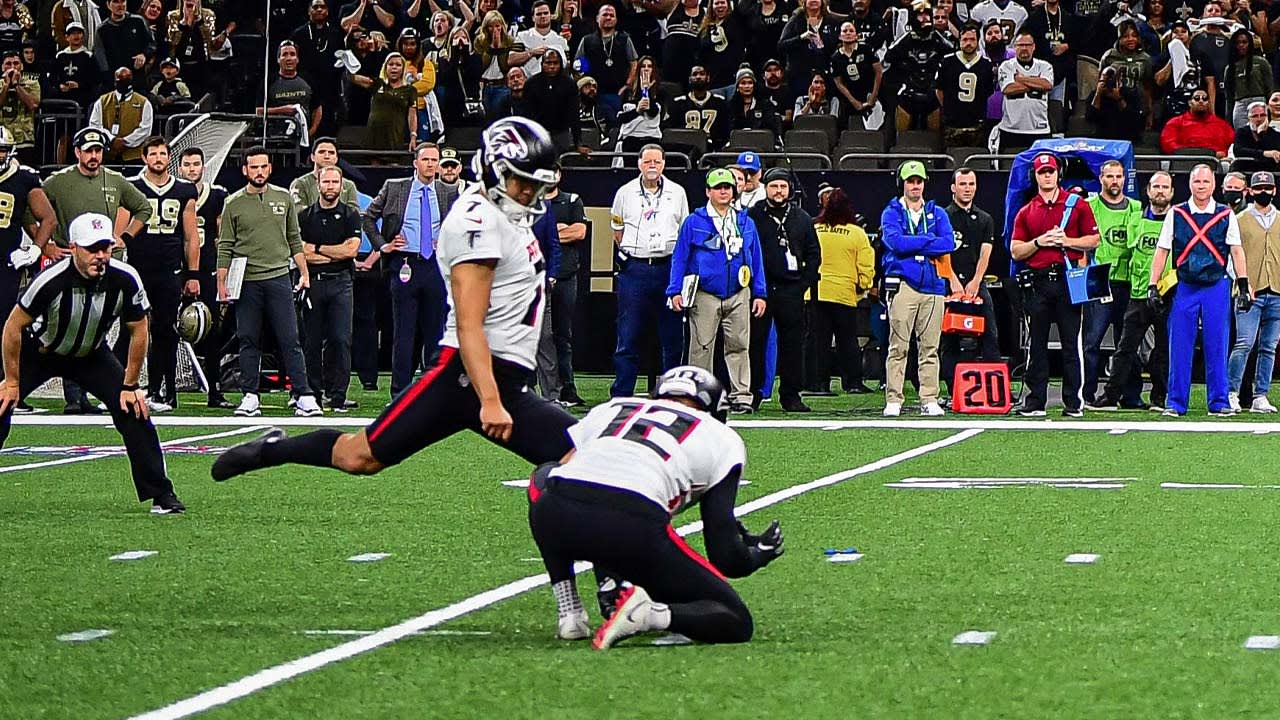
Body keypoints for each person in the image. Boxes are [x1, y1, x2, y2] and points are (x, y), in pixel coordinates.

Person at [211, 118, 578, 485]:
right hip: (469, 377)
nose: (530, 192)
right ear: (495, 171)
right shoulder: (476, 222)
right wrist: (490, 399)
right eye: (523, 182)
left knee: (584, 454)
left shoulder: (504, 214)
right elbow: (469, 323)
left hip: (503, 377)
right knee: (360, 457)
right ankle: (273, 450)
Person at [527, 364, 784, 647]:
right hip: (629, 521)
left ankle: (570, 610)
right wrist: (757, 553)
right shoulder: (722, 438)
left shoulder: (614, 407)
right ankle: (648, 615)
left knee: (545, 479)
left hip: (554, 513)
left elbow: (557, 471)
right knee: (734, 618)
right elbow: (725, 557)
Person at [0, 213, 184, 514]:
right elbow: (12, 327)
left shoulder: (125, 278)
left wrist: (130, 384)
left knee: (133, 411)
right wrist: (12, 382)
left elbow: (139, 329)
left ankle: (161, 495)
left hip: (91, 355)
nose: (99, 256)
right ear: (73, 248)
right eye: (91, 249)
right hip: (41, 352)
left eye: (105, 247)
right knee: (1, 405)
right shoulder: (50, 280)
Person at [42, 126, 153, 414]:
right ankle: (70, 395)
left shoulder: (115, 180)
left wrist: (124, 238)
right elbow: (33, 210)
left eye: (98, 150)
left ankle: (86, 394)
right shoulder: (58, 182)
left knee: (96, 326)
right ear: (77, 152)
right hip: (68, 262)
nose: (94, 156)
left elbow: (143, 208)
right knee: (66, 325)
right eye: (88, 151)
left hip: (102, 263)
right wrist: (47, 245)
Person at [217, 146, 321, 418]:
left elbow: (294, 239)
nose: (259, 172)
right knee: (248, 339)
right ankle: (250, 396)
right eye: (254, 167)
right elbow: (225, 245)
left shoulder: (284, 197)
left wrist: (304, 273)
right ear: (245, 170)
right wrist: (222, 283)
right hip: (247, 281)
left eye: (263, 167)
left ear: (270, 168)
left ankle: (303, 395)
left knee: (290, 339)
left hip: (279, 278)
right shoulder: (233, 203)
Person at [1151, 164, 1249, 416]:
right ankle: (1175, 403)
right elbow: (1162, 250)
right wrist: (1154, 284)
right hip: (1185, 285)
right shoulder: (1177, 214)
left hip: (1217, 285)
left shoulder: (1226, 215)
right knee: (1179, 344)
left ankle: (1218, 402)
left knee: (1217, 344)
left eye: (1206, 182)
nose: (1201, 186)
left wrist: (1244, 283)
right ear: (1190, 184)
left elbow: (1237, 250)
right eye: (1197, 182)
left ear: (1213, 185)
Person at [668, 168, 767, 414]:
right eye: (718, 187)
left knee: (739, 345)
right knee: (701, 347)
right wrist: (674, 289)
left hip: (739, 291)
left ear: (734, 191)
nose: (723, 191)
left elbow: (756, 259)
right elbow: (680, 257)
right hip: (705, 292)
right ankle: (699, 397)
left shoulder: (745, 221)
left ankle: (741, 396)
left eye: (728, 187)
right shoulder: (694, 221)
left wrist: (760, 292)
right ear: (707, 191)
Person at [1009, 152, 1100, 417]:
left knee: (1071, 343)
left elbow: (1094, 241)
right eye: (1042, 172)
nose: (1047, 176)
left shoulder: (1078, 204)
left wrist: (1066, 241)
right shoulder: (1027, 210)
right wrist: (1039, 242)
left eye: (1050, 171)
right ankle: (1035, 400)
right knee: (1035, 343)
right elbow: (1015, 250)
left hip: (1067, 279)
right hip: (1038, 281)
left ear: (1058, 174)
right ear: (1035, 176)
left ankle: (1073, 402)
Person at [363, 144, 449, 399]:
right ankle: (399, 392)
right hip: (404, 263)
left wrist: (446, 240)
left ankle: (435, 390)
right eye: (426, 160)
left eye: (435, 160)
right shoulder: (395, 187)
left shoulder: (447, 191)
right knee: (403, 331)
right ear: (416, 163)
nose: (431, 165)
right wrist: (383, 246)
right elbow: (368, 218)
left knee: (437, 330)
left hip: (434, 265)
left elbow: (459, 224)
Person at [127, 136, 201, 413]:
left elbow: (191, 236)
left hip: (169, 269)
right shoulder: (133, 187)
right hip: (137, 269)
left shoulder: (183, 190)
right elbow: (121, 231)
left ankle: (165, 392)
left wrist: (192, 273)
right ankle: (122, 386)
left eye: (163, 153)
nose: (159, 158)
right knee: (129, 329)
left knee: (166, 331)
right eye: (153, 154)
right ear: (144, 158)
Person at [609, 144, 689, 398]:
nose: (652, 165)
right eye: (647, 161)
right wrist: (632, 252)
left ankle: (671, 393)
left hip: (668, 268)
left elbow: (683, 230)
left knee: (672, 336)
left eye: (657, 161)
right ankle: (622, 393)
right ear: (639, 164)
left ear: (664, 164)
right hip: (635, 269)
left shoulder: (677, 192)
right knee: (628, 334)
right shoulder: (625, 192)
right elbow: (616, 229)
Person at [1094, 171, 1173, 412]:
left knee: (1163, 350)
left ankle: (1160, 397)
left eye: (1165, 187)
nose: (1160, 191)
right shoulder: (1135, 220)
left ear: (1172, 192)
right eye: (1156, 186)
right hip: (1137, 293)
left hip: (1168, 294)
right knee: (1125, 349)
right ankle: (1111, 396)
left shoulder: (1178, 221)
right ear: (1148, 191)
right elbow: (1126, 253)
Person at [880, 160, 954, 417]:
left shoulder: (938, 213)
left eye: (919, 181)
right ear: (902, 183)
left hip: (933, 285)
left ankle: (929, 397)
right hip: (904, 285)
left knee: (930, 347)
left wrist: (915, 244)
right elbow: (895, 242)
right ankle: (894, 398)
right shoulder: (891, 212)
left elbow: (948, 243)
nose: (915, 186)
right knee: (898, 345)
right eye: (910, 181)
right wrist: (927, 241)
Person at [747, 168, 821, 412]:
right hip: (761, 291)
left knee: (792, 344)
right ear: (765, 187)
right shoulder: (754, 215)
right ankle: (754, 392)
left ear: (790, 189)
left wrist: (803, 285)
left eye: (783, 187)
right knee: (755, 343)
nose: (778, 191)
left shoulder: (801, 218)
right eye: (773, 186)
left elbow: (813, 254)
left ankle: (791, 395)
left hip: (792, 289)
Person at [176, 146, 234, 409]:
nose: (191, 169)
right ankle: (162, 392)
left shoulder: (218, 195)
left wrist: (223, 272)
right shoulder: (174, 193)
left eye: (196, 164)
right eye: (187, 164)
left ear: (203, 166)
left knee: (212, 331)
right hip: (177, 269)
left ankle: (215, 390)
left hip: (208, 269)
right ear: (179, 167)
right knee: (167, 330)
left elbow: (224, 236)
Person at [300, 166, 360, 413]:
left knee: (340, 339)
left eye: (335, 182)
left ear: (342, 185)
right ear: (318, 183)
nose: (331, 186)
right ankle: (312, 393)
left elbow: (351, 251)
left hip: (341, 283)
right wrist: (333, 252)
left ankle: (338, 395)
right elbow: (300, 252)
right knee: (311, 341)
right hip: (313, 283)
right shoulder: (304, 217)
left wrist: (318, 248)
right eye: (327, 182)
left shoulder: (350, 215)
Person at [1082, 160, 1141, 407]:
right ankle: (1085, 395)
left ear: (1125, 179)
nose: (1114, 181)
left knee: (1127, 342)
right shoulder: (1089, 206)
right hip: (1099, 279)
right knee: (1091, 342)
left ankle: (1131, 396)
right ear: (1101, 179)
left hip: (1127, 281)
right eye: (1110, 176)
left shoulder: (1136, 207)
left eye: (1118, 176)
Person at [809, 188, 874, 396]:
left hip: (816, 291)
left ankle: (818, 384)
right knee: (847, 340)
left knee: (819, 341)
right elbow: (865, 263)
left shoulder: (814, 228)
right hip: (844, 293)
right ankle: (853, 383)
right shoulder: (857, 233)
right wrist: (864, 285)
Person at [941, 167, 1000, 392]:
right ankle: (953, 389)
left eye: (971, 184)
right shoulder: (943, 216)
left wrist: (976, 281)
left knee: (990, 333)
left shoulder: (985, 218)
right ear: (953, 187)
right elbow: (941, 252)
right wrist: (953, 280)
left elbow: (986, 252)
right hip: (950, 283)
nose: (968, 189)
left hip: (976, 284)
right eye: (963, 184)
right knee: (950, 338)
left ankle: (995, 387)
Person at [1227, 170, 1280, 413]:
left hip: (1277, 291)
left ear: (1274, 190)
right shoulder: (1239, 219)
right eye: (1258, 188)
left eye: (1267, 188)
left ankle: (1261, 395)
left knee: (1269, 346)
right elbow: (1230, 256)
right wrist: (1242, 282)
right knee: (1244, 343)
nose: (1263, 192)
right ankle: (1232, 392)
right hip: (1249, 292)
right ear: (1250, 191)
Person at [541, 164, 587, 407]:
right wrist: (556, 230)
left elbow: (580, 232)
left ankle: (567, 390)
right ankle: (534, 391)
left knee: (562, 336)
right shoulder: (532, 202)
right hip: (536, 279)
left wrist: (550, 233)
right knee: (536, 336)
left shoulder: (572, 200)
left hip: (566, 276)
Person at [937, 23, 994, 147]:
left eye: (972, 39)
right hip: (952, 124)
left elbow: (988, 92)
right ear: (959, 40)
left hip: (977, 123)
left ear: (978, 41)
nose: (969, 43)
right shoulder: (947, 62)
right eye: (965, 39)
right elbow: (939, 90)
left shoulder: (986, 65)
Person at [996, 30, 1053, 152]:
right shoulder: (1006, 66)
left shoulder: (1044, 66)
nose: (1024, 48)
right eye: (1020, 45)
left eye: (1028, 45)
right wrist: (1036, 83)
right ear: (1014, 47)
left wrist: (1021, 79)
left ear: (1034, 47)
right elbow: (1008, 88)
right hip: (1011, 129)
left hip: (1039, 129)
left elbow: (1047, 85)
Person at [88, 67, 153, 162]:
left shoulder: (144, 102)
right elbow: (95, 125)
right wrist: (112, 140)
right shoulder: (102, 101)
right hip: (108, 154)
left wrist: (125, 142)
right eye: (120, 80)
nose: (123, 82)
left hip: (134, 157)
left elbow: (145, 129)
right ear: (115, 81)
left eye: (126, 79)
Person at [831, 20, 883, 127]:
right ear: (840, 36)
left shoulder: (866, 49)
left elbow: (878, 72)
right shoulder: (836, 57)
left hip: (870, 92)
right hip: (851, 96)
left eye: (851, 30)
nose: (848, 33)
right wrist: (853, 101)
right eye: (845, 31)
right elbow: (838, 82)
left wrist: (873, 96)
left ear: (856, 35)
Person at [667, 66, 731, 150]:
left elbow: (725, 130)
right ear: (689, 79)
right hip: (686, 148)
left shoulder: (719, 102)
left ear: (708, 78)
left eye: (702, 74)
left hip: (713, 149)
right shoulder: (679, 103)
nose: (698, 77)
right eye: (695, 74)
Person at [289, 137, 359, 211]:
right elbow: (297, 211)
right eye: (322, 152)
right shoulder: (300, 183)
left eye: (331, 153)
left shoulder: (349, 185)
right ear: (312, 157)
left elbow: (354, 213)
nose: (327, 156)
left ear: (336, 158)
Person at [1159, 90, 1234, 157]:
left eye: (1204, 99)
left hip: (1217, 161)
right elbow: (1168, 144)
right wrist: (1189, 153)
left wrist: (1224, 154)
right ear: (1190, 103)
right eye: (1197, 98)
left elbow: (1233, 144)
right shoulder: (1175, 122)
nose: (1201, 101)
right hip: (1184, 160)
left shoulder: (1222, 124)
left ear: (1208, 103)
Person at [513, 1, 569, 78]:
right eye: (539, 14)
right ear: (533, 18)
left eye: (546, 13)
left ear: (551, 16)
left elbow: (567, 66)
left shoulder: (560, 40)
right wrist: (531, 52)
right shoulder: (522, 36)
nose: (543, 16)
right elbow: (511, 60)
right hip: (530, 83)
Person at [1231, 101, 1280, 173]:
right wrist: (1264, 153)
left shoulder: (1275, 134)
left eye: (1262, 115)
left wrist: (1262, 134)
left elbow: (1275, 151)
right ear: (1249, 118)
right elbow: (1238, 151)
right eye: (1255, 116)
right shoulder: (1242, 132)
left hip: (1270, 171)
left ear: (1267, 117)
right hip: (1246, 169)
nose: (1259, 119)